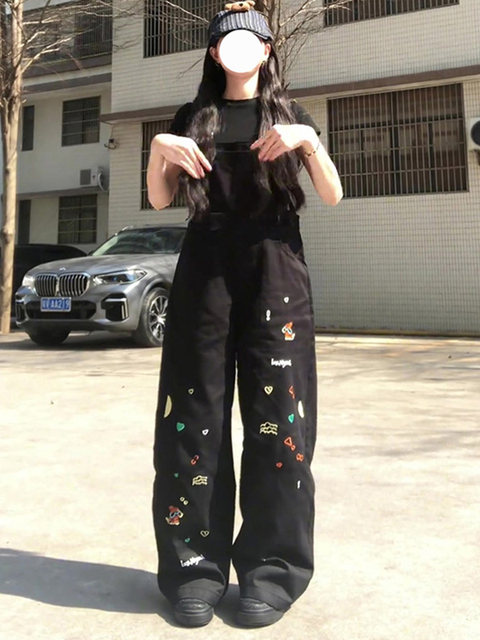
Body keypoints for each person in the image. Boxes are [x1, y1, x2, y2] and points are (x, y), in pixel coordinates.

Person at [147, 1, 343, 629]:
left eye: (250, 38)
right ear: (214, 52)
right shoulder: (192, 118)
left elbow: (333, 193)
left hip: (275, 269)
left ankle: (272, 572)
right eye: (226, 38)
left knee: (280, 420)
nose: (238, 47)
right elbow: (160, 198)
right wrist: (158, 149)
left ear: (266, 50)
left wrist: (309, 141)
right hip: (205, 268)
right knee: (192, 418)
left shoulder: (290, 116)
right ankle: (193, 571)